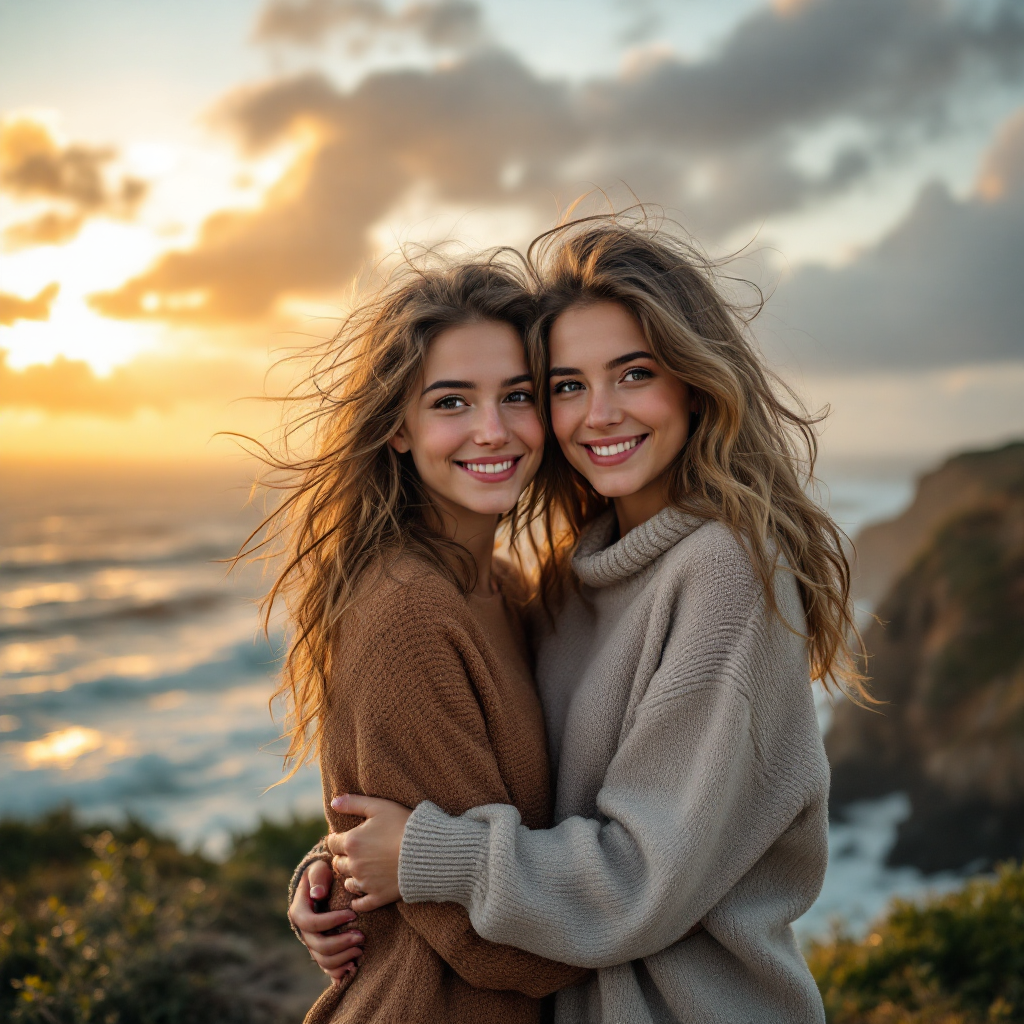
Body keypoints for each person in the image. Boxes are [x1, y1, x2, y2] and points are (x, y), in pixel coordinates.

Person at [295, 216, 869, 1023]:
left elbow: (640, 879)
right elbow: (485, 791)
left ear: (695, 382)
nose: (599, 414)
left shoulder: (723, 572)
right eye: (567, 385)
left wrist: (424, 859)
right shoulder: (561, 585)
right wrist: (337, 868)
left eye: (633, 374)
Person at [261, 254, 590, 1023]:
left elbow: (415, 825)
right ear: (398, 430)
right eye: (451, 402)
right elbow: (496, 940)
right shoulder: (408, 615)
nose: (492, 430)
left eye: (517, 396)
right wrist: (665, 906)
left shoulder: (502, 589)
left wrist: (328, 864)